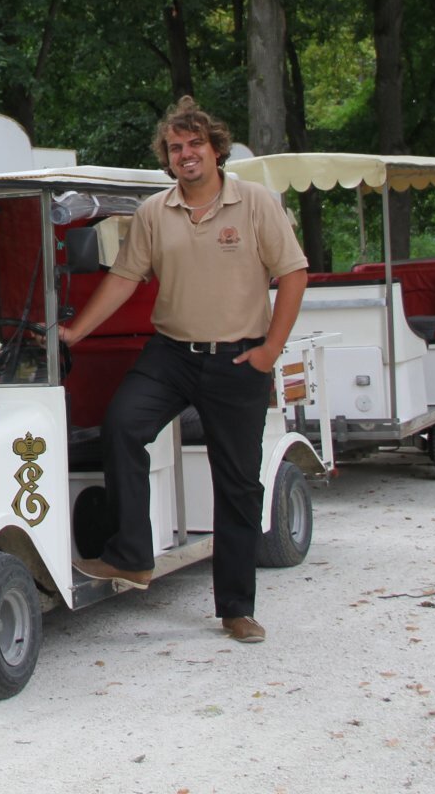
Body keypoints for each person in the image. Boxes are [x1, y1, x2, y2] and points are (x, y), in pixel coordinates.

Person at [56, 97, 308, 645]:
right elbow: (124, 278)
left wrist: (270, 350)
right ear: (167, 158)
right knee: (122, 425)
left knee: (237, 483)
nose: (186, 154)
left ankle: (236, 609)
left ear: (216, 150)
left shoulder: (255, 203)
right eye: (175, 147)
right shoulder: (154, 212)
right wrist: (75, 333)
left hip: (240, 356)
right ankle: (131, 556)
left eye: (195, 144)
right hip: (171, 353)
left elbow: (293, 274)